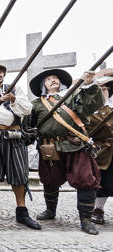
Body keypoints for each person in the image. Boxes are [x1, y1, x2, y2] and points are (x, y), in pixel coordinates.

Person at [29, 69, 103, 234]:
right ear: (43, 85)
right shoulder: (36, 104)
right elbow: (28, 124)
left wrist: (90, 85)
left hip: (75, 145)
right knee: (49, 180)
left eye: (55, 78)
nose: (53, 80)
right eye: (48, 79)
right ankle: (50, 210)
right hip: (49, 147)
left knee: (85, 180)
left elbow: (91, 106)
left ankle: (86, 219)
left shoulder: (73, 95)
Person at [0, 64, 40, 230]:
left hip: (15, 135)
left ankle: (22, 211)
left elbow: (27, 109)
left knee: (19, 172)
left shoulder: (14, 89)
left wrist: (12, 99)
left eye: (1, 72)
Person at [88, 75, 113, 224]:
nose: (103, 91)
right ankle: (98, 210)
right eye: (100, 89)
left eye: (105, 89)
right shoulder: (91, 111)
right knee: (103, 182)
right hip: (103, 151)